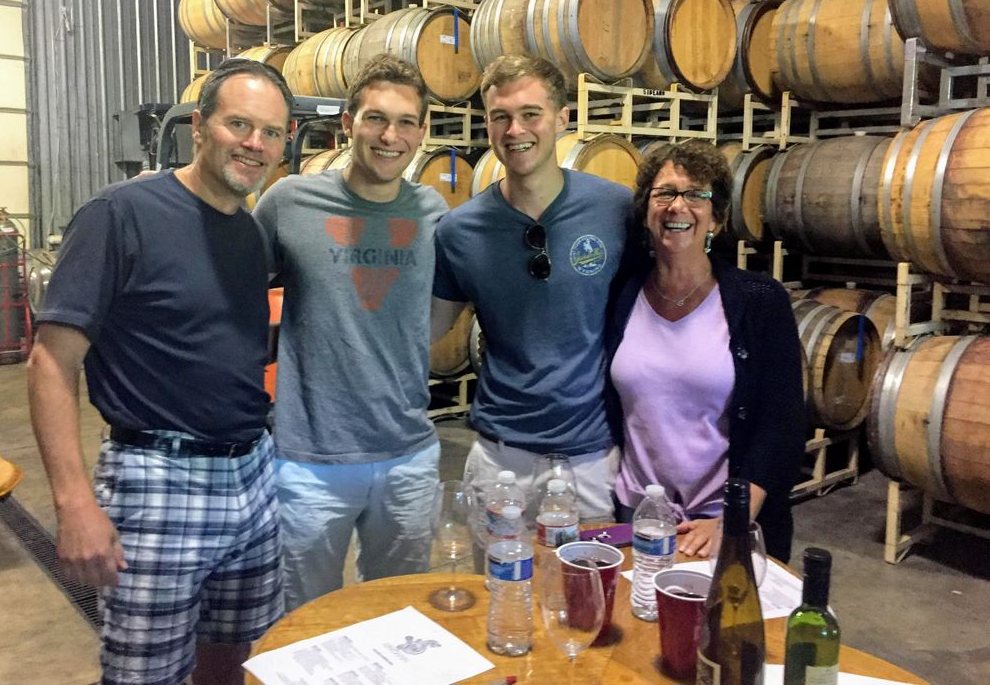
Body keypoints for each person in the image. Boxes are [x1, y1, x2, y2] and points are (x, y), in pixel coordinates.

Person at [27, 57, 292, 685]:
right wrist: (74, 503)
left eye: (271, 132)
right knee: (145, 674)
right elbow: (50, 362)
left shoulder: (251, 235)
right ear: (199, 126)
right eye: (239, 124)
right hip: (157, 479)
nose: (254, 144)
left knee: (236, 661)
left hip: (252, 473)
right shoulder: (120, 214)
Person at [252, 54, 448, 612]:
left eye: (406, 122)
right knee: (302, 619)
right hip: (309, 460)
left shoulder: (433, 212)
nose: (390, 136)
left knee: (399, 617)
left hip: (407, 454)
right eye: (375, 119)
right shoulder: (289, 203)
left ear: (422, 132)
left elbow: (443, 310)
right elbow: (233, 298)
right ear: (347, 123)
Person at [431, 54, 632, 521]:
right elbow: (426, 330)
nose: (515, 130)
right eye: (500, 116)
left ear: (562, 119)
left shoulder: (615, 209)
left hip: (592, 457)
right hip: (501, 457)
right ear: (487, 124)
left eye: (530, 114)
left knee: (594, 573)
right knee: (498, 571)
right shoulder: (460, 231)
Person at [605, 141, 806, 562]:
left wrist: (734, 518)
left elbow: (782, 425)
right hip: (635, 515)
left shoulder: (759, 300)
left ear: (718, 217)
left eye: (696, 194)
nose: (678, 206)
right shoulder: (622, 293)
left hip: (720, 522)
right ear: (646, 210)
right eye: (664, 193)